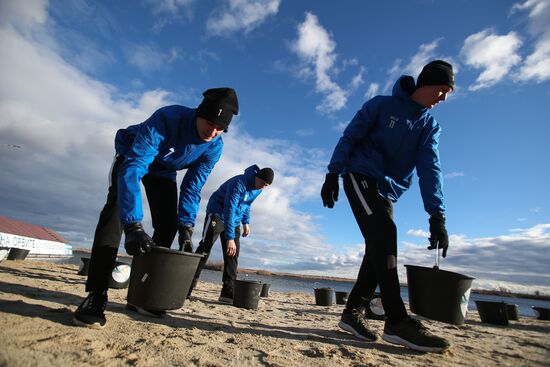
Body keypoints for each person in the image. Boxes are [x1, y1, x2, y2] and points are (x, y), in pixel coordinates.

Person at [73, 87, 239, 329]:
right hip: (132, 155)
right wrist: (133, 225)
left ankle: (143, 296)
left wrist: (187, 226)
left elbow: (193, 187)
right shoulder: (168, 118)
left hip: (163, 171)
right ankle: (96, 295)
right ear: (199, 114)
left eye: (220, 128)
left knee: (169, 225)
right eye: (209, 123)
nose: (212, 132)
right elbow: (135, 166)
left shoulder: (214, 146)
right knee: (114, 214)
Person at [321, 60, 454, 353]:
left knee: (379, 247)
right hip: (360, 174)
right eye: (442, 90)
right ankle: (396, 320)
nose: (443, 98)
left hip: (388, 191)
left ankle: (352, 312)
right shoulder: (382, 106)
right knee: (384, 234)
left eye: (448, 93)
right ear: (427, 83)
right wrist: (333, 172)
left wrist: (437, 216)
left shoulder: (429, 126)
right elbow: (350, 135)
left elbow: (431, 169)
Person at [187, 165, 274, 303]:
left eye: (267, 185)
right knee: (205, 248)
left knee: (233, 254)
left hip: (235, 219)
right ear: (257, 177)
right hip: (217, 214)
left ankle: (227, 293)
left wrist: (246, 222)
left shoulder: (258, 190)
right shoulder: (238, 183)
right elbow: (229, 208)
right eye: (263, 183)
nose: (264, 187)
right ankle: (187, 288)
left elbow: (247, 205)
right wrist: (230, 237)